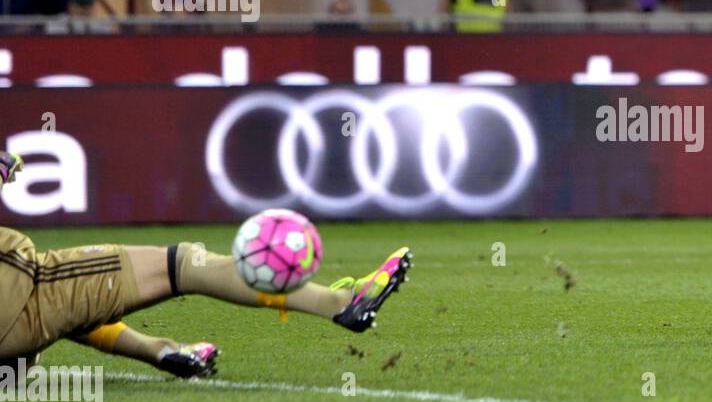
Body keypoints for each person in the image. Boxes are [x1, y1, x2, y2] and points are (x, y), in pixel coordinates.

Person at [0, 151, 414, 376]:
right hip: (13, 281)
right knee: (183, 264)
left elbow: (59, 312)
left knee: (63, 304)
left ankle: (161, 351)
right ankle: (339, 302)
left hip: (13, 330)